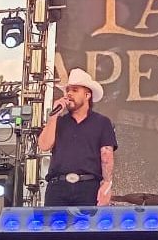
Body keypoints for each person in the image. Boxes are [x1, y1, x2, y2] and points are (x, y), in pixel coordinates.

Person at [39, 68, 117, 206]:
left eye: (75, 90)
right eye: (67, 90)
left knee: (87, 220)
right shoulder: (59, 122)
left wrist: (106, 184)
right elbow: (44, 145)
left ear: (87, 95)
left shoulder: (102, 122)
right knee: (53, 220)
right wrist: (54, 116)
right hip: (58, 187)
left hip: (88, 186)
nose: (69, 94)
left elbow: (106, 154)